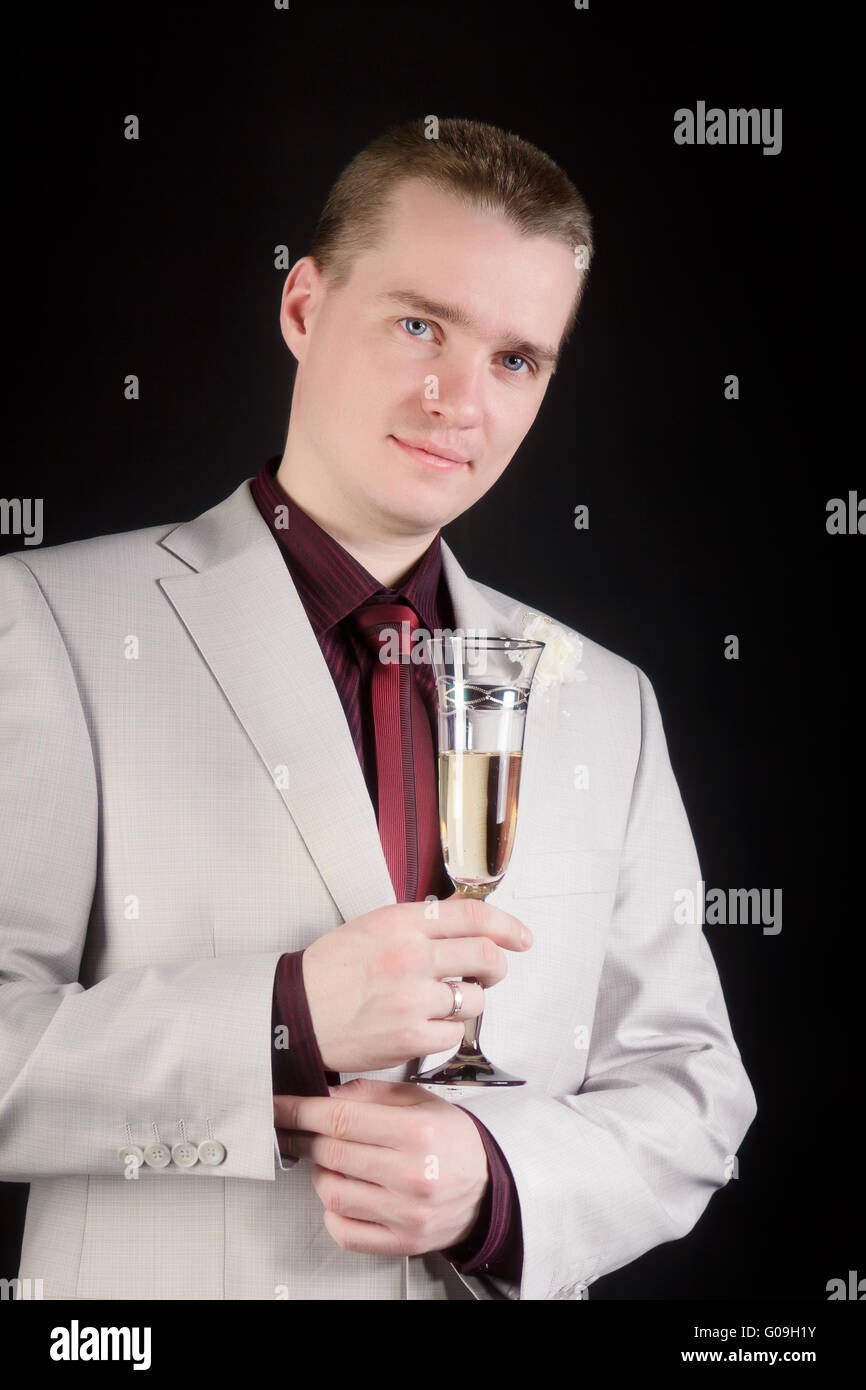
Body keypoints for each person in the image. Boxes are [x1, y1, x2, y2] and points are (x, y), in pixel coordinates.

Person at [0, 117, 756, 1301]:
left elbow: (692, 1091)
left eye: (516, 359)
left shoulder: (609, 702)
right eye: (419, 324)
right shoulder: (50, 618)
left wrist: (498, 1183)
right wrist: (282, 1014)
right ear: (302, 309)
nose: (458, 398)